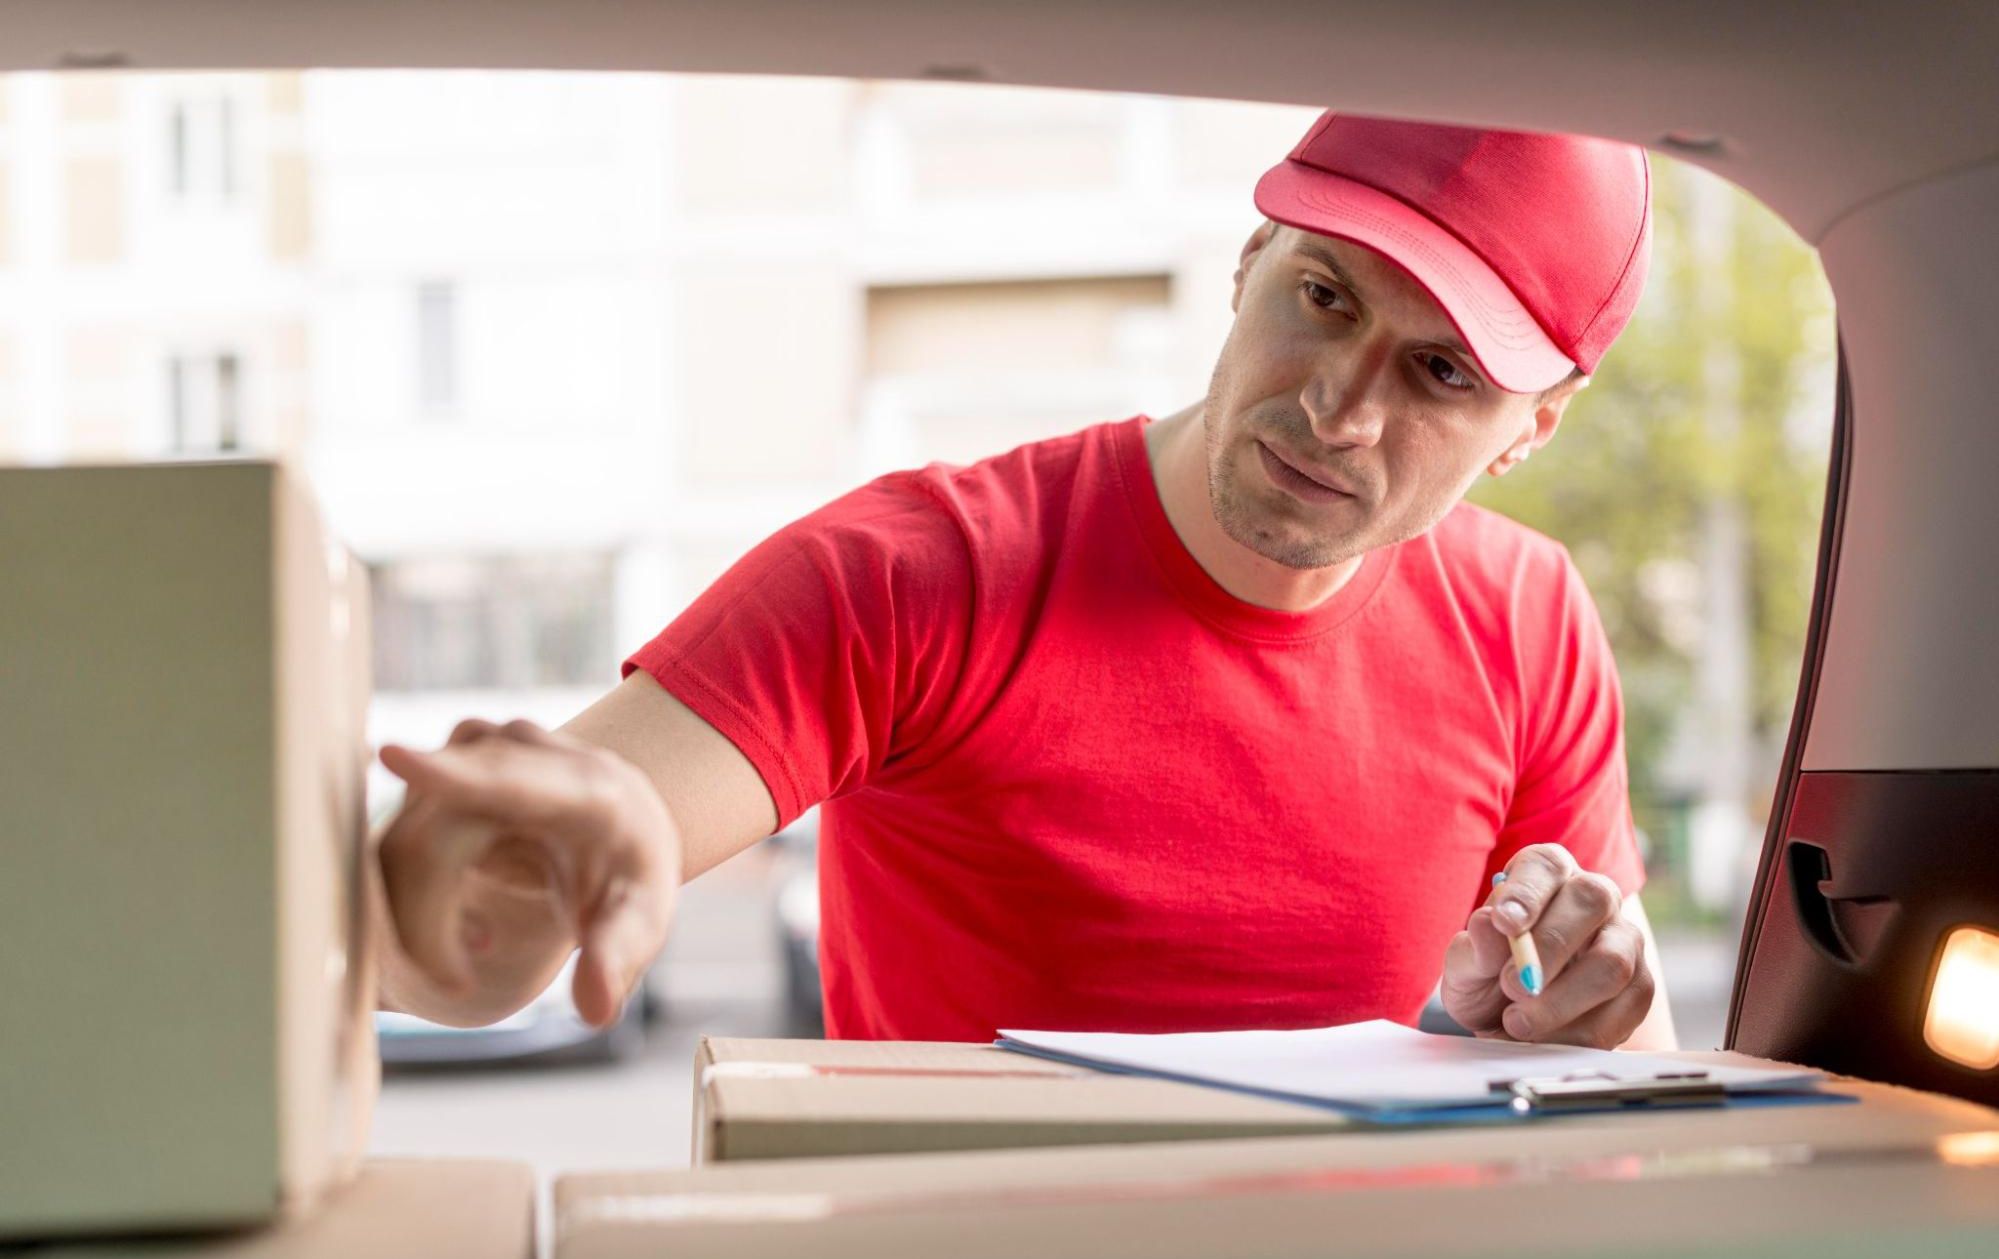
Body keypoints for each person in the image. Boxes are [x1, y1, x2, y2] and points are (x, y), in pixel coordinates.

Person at [372, 110, 1678, 1051]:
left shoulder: (1530, 620)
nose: (1338, 409)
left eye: (1440, 373)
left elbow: (1622, 1058)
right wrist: (475, 908)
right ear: (1247, 267)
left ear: (1531, 427)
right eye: (1324, 297)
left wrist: (1591, 1005)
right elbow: (471, 918)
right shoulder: (917, 577)